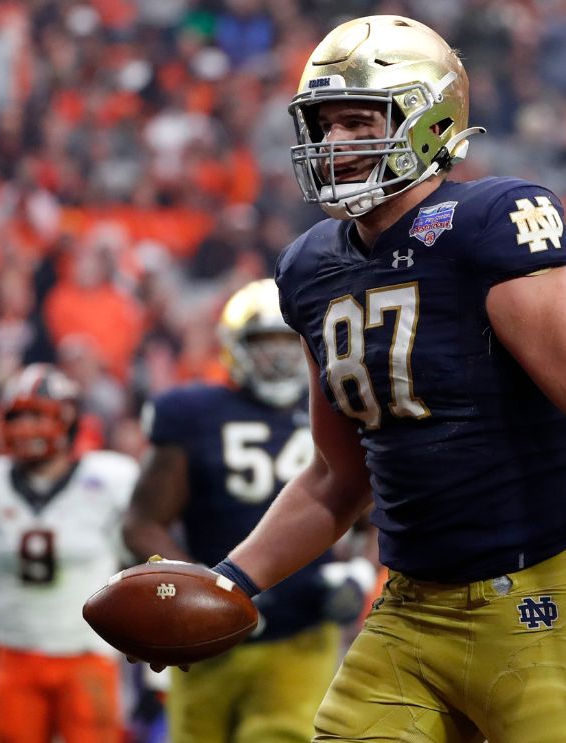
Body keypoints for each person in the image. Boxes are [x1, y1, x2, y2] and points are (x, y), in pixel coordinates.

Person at [199, 14, 566, 742]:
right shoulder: (310, 268)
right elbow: (334, 478)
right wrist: (232, 579)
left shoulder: (488, 222)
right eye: (326, 124)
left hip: (540, 597)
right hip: (411, 606)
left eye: (358, 121)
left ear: (428, 120)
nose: (336, 143)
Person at [123, 278, 375, 743]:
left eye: (288, 342)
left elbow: (374, 519)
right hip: (208, 638)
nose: (279, 356)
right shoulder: (191, 413)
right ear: (234, 346)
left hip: (302, 625)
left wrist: (358, 576)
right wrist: (197, 583)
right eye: (264, 343)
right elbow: (142, 522)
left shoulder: (336, 410)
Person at [0, 364, 138, 743]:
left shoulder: (109, 482)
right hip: (14, 654)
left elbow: (138, 576)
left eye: (36, 415)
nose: (25, 427)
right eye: (17, 416)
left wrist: (157, 672)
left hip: (87, 655)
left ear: (69, 420)